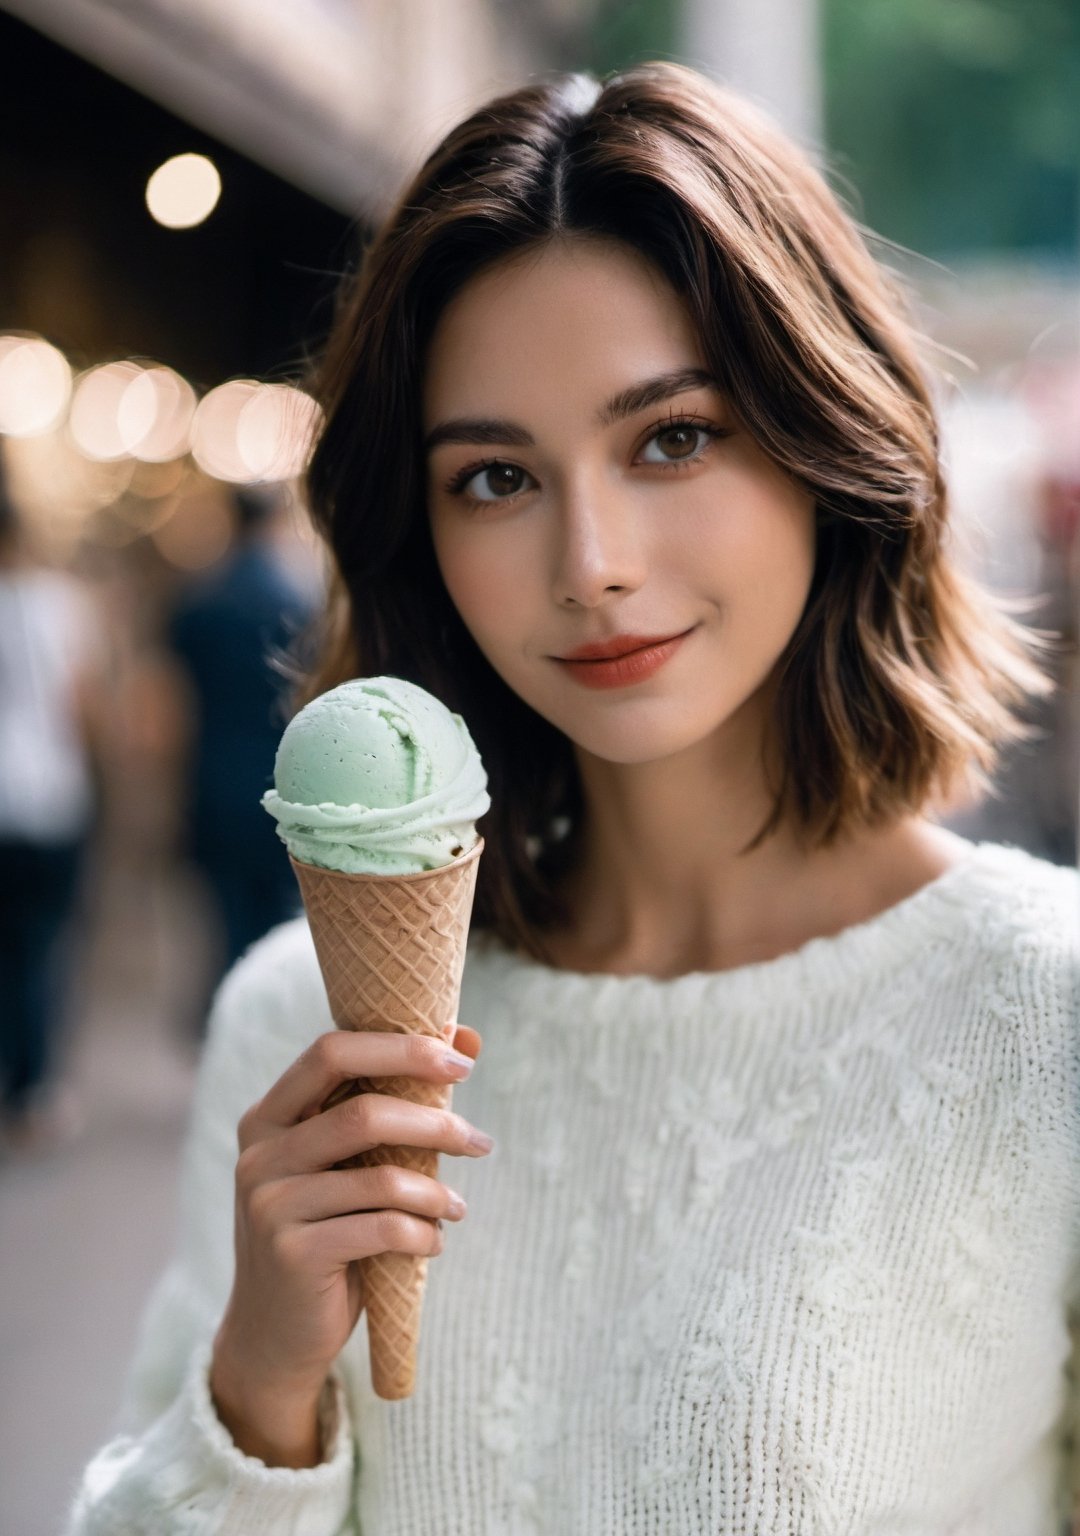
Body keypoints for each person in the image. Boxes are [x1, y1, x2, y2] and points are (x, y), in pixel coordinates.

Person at [67, 63, 1080, 1535]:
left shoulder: (1046, 1020)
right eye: (494, 478)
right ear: (417, 528)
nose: (589, 558)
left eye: (673, 436)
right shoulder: (304, 1031)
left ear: (825, 444)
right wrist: (257, 1391)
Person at [167, 485, 314, 1030]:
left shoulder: (201, 602)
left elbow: (171, 710)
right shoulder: (298, 603)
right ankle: (269, 1033)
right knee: (278, 923)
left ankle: (233, 1031)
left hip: (213, 782)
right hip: (283, 784)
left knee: (225, 923)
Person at [0, 462, 101, 1154]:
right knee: (39, 945)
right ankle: (32, 1088)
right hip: (52, 795)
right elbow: (79, 703)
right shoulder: (59, 603)